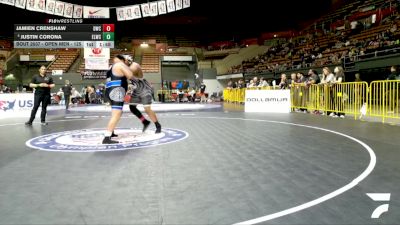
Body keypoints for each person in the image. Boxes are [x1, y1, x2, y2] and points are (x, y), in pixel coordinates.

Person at [102, 55, 135, 144]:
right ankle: (107, 137)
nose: (128, 63)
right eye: (128, 61)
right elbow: (130, 76)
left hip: (110, 90)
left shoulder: (111, 67)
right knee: (117, 114)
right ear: (124, 60)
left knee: (115, 113)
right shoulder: (120, 64)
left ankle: (111, 132)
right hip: (117, 91)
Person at [126, 56, 162, 134]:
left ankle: (158, 125)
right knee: (132, 107)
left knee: (147, 109)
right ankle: (145, 122)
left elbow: (127, 76)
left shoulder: (134, 66)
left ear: (128, 61)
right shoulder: (129, 66)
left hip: (144, 88)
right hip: (137, 88)